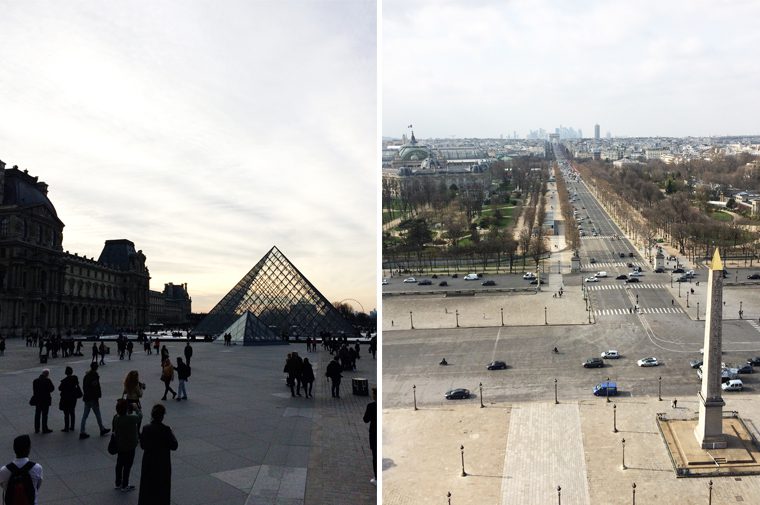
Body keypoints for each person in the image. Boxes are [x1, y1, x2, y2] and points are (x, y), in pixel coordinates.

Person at [138, 404, 178, 505]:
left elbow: (142, 445)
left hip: (149, 462)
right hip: (162, 464)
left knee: (147, 487)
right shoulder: (166, 430)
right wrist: (172, 433)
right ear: (162, 416)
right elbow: (174, 446)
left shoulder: (146, 428)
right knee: (162, 488)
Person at [0, 435, 43, 504]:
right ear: (29, 449)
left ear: (14, 449)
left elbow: (3, 486)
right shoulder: (37, 468)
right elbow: (37, 486)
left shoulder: (4, 470)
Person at [112, 399, 142, 492]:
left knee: (119, 464)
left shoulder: (116, 418)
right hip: (130, 445)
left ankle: (118, 483)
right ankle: (125, 484)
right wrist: (136, 408)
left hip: (120, 445)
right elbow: (140, 416)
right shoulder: (131, 418)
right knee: (127, 465)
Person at [80, 362, 111, 439]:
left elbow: (84, 386)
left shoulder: (86, 375)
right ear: (96, 368)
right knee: (98, 414)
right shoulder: (94, 376)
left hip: (87, 398)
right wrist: (97, 396)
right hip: (93, 398)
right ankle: (102, 429)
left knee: (85, 415)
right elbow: (95, 388)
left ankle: (82, 431)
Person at [58, 366, 82, 432]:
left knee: (66, 413)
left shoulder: (64, 381)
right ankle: (72, 426)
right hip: (73, 398)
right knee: (72, 412)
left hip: (65, 398)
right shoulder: (75, 378)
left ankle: (66, 427)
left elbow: (60, 388)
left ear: (66, 373)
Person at [32, 370, 55, 434]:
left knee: (37, 414)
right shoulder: (47, 380)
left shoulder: (35, 381)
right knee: (45, 415)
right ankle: (44, 428)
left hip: (38, 400)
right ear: (47, 374)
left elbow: (34, 390)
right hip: (45, 400)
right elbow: (52, 389)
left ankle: (37, 429)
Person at [363, 387, 377, 485]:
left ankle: (376, 477)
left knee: (375, 456)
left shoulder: (371, 406)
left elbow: (365, 419)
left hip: (373, 433)